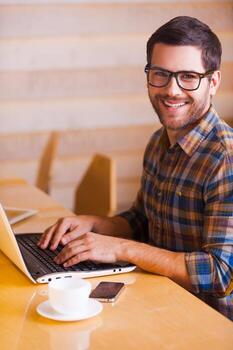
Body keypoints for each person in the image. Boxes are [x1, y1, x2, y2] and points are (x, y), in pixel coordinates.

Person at [38, 16, 233, 320]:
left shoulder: (226, 159)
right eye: (161, 74)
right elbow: (143, 221)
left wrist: (120, 249)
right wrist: (95, 225)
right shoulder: (158, 142)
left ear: (213, 82)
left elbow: (221, 274)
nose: (172, 90)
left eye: (188, 77)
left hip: (207, 322)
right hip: (156, 301)